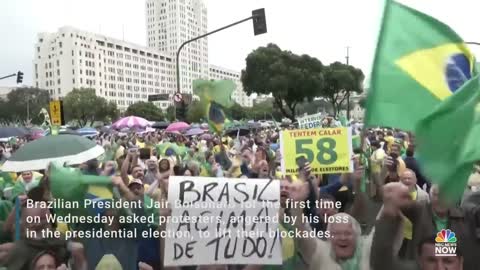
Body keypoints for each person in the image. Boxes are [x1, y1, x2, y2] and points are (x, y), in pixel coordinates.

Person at [371, 183, 465, 270]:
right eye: (436, 195)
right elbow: (382, 264)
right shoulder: (420, 210)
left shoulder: (465, 216)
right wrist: (389, 212)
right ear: (429, 195)